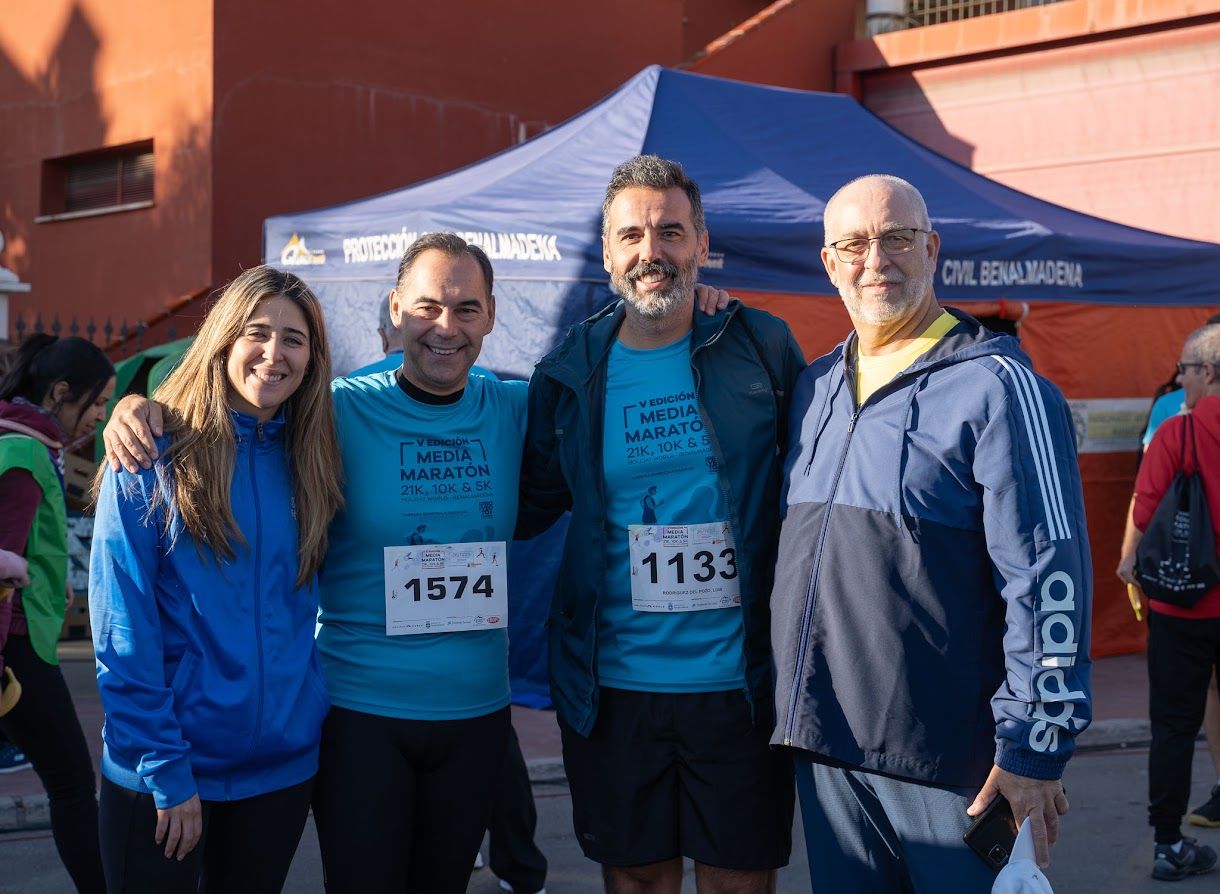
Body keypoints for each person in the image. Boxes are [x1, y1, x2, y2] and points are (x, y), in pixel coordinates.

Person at [770, 174, 1092, 891]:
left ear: (932, 249)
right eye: (853, 244)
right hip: (829, 754)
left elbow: (1049, 577)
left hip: (955, 768)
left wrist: (1037, 748)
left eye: (897, 239)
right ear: (829, 263)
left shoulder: (1001, 388)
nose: (875, 260)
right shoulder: (815, 389)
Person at [518, 155, 805, 894]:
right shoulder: (569, 370)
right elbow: (529, 498)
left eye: (671, 232)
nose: (654, 252)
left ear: (702, 243)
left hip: (740, 685)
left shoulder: (759, 346)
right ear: (609, 253)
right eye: (634, 236)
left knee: (738, 884)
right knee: (637, 881)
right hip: (614, 688)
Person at [89, 266, 343, 892]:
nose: (275, 354)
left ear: (313, 358)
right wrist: (165, 769)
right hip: (166, 775)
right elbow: (122, 631)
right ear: (223, 340)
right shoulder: (148, 456)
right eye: (257, 333)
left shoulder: (315, 458)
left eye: (295, 339)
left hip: (279, 774)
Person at [0, 333, 114, 893]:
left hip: (20, 640)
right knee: (71, 783)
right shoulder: (22, 450)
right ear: (60, 392)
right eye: (94, 403)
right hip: (14, 648)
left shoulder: (26, 442)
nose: (98, 417)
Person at [1116, 323, 1220, 880]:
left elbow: (1144, 511)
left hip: (1183, 607)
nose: (1179, 380)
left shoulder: (1176, 436)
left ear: (1206, 373)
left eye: (1184, 370)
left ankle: (1169, 842)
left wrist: (1128, 562)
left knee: (1175, 727)